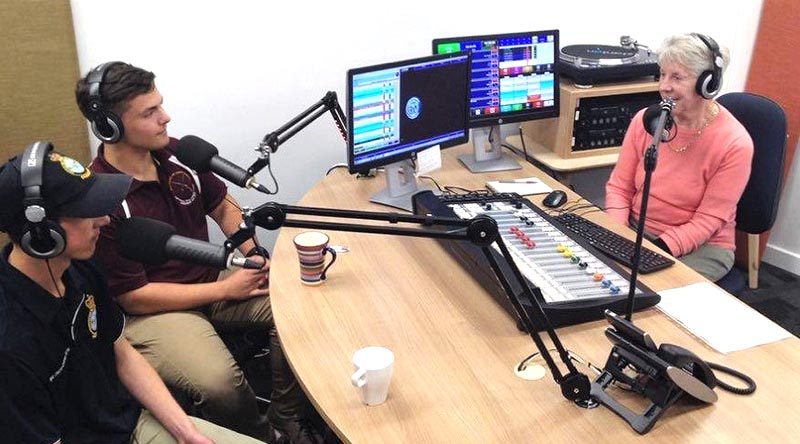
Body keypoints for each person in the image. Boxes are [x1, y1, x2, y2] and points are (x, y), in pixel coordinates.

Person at [75, 62, 322, 443]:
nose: (165, 117)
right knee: (221, 383)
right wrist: (226, 290)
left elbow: (223, 207)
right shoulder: (103, 199)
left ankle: (285, 414)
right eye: (150, 112)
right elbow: (134, 298)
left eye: (161, 105)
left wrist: (252, 252)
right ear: (110, 126)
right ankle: (264, 434)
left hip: (211, 279)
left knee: (299, 305)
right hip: (156, 311)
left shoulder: (178, 157)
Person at [0, 142, 263, 443]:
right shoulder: (10, 344)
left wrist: (187, 432)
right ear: (43, 233)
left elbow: (122, 354)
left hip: (129, 423)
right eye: (88, 212)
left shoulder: (80, 268)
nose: (104, 220)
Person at [605, 33, 754, 281]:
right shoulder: (647, 121)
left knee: (643, 289)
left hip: (703, 246)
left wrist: (654, 252)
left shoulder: (735, 143)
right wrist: (616, 236)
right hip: (636, 230)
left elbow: (709, 220)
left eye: (677, 77)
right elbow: (620, 188)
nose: (664, 86)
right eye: (662, 75)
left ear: (707, 84)